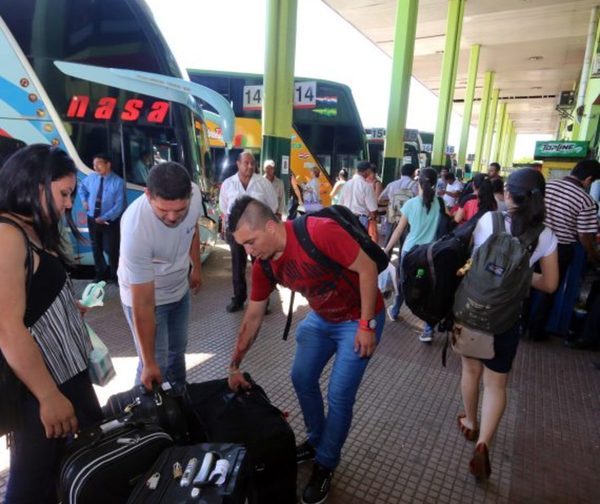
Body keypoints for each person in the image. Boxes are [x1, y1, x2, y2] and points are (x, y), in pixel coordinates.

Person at [226, 196, 385, 504]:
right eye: (242, 246)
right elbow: (253, 316)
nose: (249, 252)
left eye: (251, 242)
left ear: (271, 227)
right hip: (324, 317)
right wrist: (234, 364)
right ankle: (315, 440)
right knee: (301, 377)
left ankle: (326, 463)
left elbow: (368, 270)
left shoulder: (319, 232)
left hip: (358, 317)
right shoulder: (264, 266)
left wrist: (367, 326)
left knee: (339, 395)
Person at [0, 144, 102, 503]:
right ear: (34, 185)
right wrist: (47, 397)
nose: (69, 203)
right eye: (64, 193)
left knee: (70, 472)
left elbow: (31, 299)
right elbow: (8, 329)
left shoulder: (30, 230)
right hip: (40, 389)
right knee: (32, 486)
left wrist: (63, 306)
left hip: (65, 378)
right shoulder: (6, 236)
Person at [457, 168, 558, 481]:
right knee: (497, 384)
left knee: (471, 371)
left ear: (508, 194)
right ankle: (484, 444)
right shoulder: (546, 235)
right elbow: (551, 285)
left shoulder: (489, 221)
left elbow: (472, 262)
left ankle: (471, 422)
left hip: (473, 312)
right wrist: (520, 276)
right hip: (506, 318)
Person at [118, 162, 203, 389]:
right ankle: (144, 417)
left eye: (180, 209)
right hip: (148, 297)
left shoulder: (194, 197)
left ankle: (178, 402)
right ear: (148, 195)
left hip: (179, 291)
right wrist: (148, 362)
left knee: (177, 353)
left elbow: (193, 229)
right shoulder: (135, 229)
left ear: (190, 195)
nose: (173, 217)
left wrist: (197, 266)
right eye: (163, 210)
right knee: (156, 365)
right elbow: (143, 304)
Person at [528, 159, 600, 341]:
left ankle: (521, 323)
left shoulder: (547, 186)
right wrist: (593, 255)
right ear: (589, 179)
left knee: (527, 279)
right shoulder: (586, 200)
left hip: (535, 240)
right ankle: (536, 331)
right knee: (549, 287)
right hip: (560, 248)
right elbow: (584, 235)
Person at [384, 168, 442, 341]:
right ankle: (428, 328)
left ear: (419, 183)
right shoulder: (439, 203)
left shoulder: (411, 204)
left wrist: (387, 249)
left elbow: (399, 230)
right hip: (428, 255)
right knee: (424, 285)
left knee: (404, 282)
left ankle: (395, 310)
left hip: (409, 254)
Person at [219, 150, 278, 313]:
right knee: (238, 266)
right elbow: (224, 207)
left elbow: (272, 205)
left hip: (258, 233)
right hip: (236, 233)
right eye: (246, 163)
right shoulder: (228, 184)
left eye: (252, 163)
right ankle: (238, 299)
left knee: (261, 265)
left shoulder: (263, 183)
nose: (250, 166)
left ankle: (262, 301)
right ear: (238, 164)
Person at [79, 153, 126, 283]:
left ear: (108, 164)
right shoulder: (91, 178)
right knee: (96, 247)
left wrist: (105, 217)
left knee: (112, 248)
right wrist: (84, 201)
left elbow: (119, 205)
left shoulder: (118, 182)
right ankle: (100, 274)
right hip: (92, 219)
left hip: (109, 221)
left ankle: (115, 276)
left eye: (98, 164)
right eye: (94, 165)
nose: (95, 168)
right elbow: (81, 188)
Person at [378, 163, 418, 246]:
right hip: (407, 218)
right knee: (405, 243)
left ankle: (385, 257)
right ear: (413, 173)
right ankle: (402, 258)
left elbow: (380, 199)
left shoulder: (392, 184)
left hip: (392, 215)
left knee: (388, 241)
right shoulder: (415, 185)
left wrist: (390, 202)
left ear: (401, 172)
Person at [339, 161, 378, 229]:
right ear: (368, 171)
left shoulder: (346, 184)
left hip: (345, 217)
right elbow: (373, 210)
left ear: (357, 170)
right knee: (359, 239)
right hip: (360, 220)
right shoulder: (366, 186)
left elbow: (340, 204)